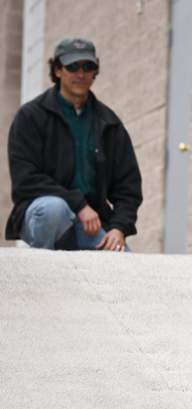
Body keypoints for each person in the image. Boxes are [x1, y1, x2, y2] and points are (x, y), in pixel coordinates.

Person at [6, 37, 142, 251]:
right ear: (58, 70)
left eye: (88, 67)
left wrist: (119, 228)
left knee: (122, 261)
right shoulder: (30, 116)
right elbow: (25, 179)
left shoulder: (109, 123)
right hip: (44, 214)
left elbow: (128, 187)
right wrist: (78, 204)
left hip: (91, 225)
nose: (81, 74)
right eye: (72, 67)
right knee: (54, 209)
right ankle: (40, 273)